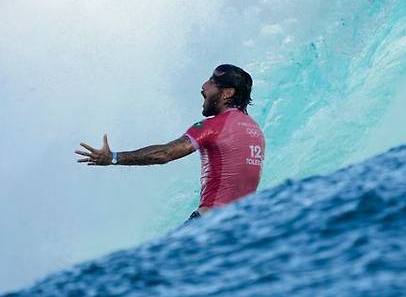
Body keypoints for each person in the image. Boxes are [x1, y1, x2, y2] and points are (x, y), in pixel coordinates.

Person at [75, 64, 266, 221]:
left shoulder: (214, 126)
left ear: (227, 93)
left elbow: (165, 154)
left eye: (212, 82)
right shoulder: (256, 131)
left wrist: (113, 158)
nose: (204, 86)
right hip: (242, 225)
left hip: (210, 223)